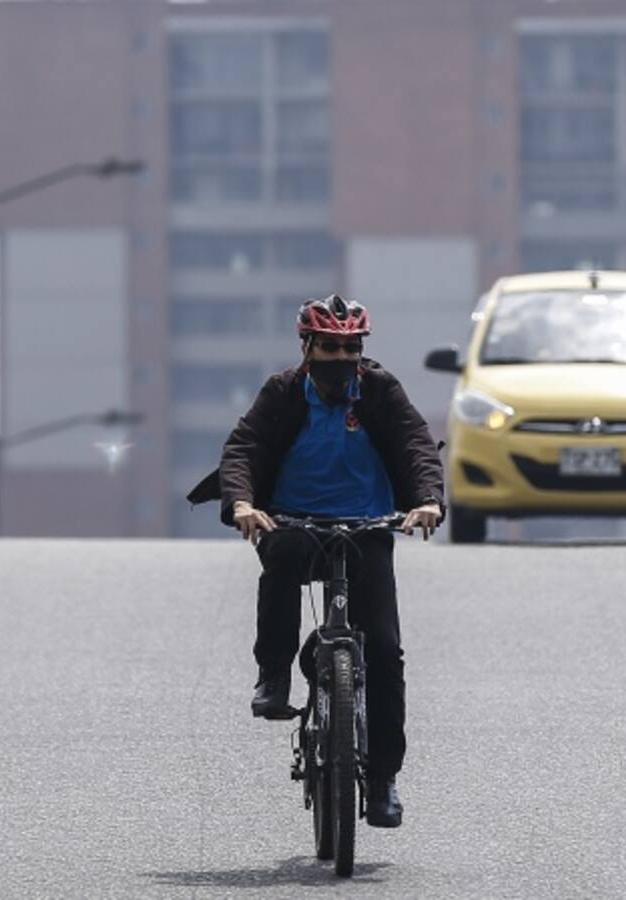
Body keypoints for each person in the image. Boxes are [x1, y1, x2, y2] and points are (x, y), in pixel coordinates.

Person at [187, 293, 445, 828]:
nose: (340, 358)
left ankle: (381, 781)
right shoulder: (283, 393)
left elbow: (416, 443)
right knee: (279, 559)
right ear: (307, 347)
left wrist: (427, 500)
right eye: (329, 347)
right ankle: (274, 674)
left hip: (367, 526)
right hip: (293, 520)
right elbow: (244, 448)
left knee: (386, 651)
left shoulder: (379, 391)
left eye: (350, 347)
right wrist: (243, 504)